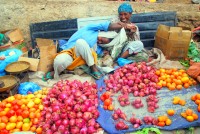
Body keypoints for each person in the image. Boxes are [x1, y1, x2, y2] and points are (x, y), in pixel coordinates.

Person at [42, 21, 136, 80]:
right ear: (105, 34)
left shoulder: (99, 48)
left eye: (102, 42)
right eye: (101, 39)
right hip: (69, 53)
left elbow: (99, 57)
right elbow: (109, 25)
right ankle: (56, 72)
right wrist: (125, 26)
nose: (99, 41)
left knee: (81, 43)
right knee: (59, 61)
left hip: (81, 61)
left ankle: (93, 68)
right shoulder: (90, 29)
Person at [97, 2, 144, 67]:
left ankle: (119, 60)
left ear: (130, 14)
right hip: (113, 49)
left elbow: (135, 43)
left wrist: (131, 34)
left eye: (125, 14)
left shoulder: (134, 27)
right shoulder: (114, 23)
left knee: (140, 46)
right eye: (121, 14)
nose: (123, 17)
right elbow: (109, 37)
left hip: (125, 51)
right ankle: (120, 61)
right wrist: (121, 28)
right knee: (105, 62)